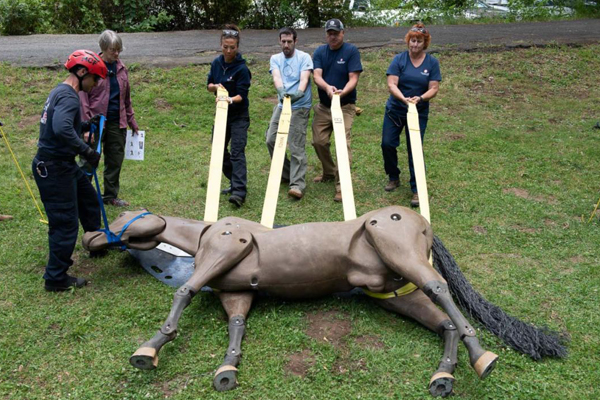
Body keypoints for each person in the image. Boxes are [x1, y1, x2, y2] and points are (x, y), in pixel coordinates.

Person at [32, 50, 106, 292]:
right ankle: (55, 278)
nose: (95, 85)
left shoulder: (60, 91)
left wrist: (84, 124)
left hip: (62, 164)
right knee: (64, 223)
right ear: (82, 72)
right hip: (54, 168)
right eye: (94, 78)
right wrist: (88, 152)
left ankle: (96, 243)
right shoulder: (70, 96)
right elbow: (62, 129)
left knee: (89, 200)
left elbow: (61, 126)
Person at [381, 23, 441, 207]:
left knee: (415, 149)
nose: (415, 44)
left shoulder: (431, 63)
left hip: (418, 112)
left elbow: (434, 88)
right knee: (387, 143)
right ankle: (393, 176)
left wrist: (420, 98)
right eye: (412, 40)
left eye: (419, 41)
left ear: (425, 43)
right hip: (396, 110)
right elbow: (392, 84)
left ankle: (416, 189)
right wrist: (404, 99)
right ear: (408, 41)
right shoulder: (399, 60)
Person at [80, 30, 139, 207]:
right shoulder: (92, 68)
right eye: (113, 49)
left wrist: (132, 121)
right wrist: (86, 127)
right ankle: (82, 195)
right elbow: (83, 98)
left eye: (119, 50)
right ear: (103, 48)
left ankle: (110, 196)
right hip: (95, 123)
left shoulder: (122, 68)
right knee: (88, 160)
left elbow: (126, 98)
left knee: (115, 160)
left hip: (117, 121)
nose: (116, 53)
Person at [312, 19, 362, 202]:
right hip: (324, 107)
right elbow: (317, 76)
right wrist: (327, 88)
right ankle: (329, 172)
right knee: (319, 141)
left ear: (343, 33)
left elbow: (353, 79)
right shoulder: (319, 52)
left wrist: (341, 93)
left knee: (343, 145)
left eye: (336, 33)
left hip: (345, 107)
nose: (332, 36)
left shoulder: (351, 51)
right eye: (329, 33)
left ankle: (342, 186)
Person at [265, 27, 313, 200]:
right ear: (280, 41)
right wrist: (281, 91)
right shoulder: (275, 58)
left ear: (295, 41)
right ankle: (286, 174)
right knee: (271, 139)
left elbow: (304, 79)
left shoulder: (304, 57)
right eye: (283, 42)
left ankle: (297, 184)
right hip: (282, 104)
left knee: (296, 144)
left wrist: (298, 93)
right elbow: (277, 77)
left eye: (289, 42)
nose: (286, 45)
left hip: (300, 105)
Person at [207, 24, 252, 208]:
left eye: (232, 47)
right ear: (221, 44)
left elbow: (242, 95)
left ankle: (239, 192)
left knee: (237, 152)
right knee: (218, 150)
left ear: (237, 47)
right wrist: (216, 88)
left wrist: (228, 100)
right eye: (225, 46)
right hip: (221, 115)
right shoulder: (216, 63)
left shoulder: (242, 69)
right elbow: (209, 84)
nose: (228, 50)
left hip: (239, 116)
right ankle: (234, 181)